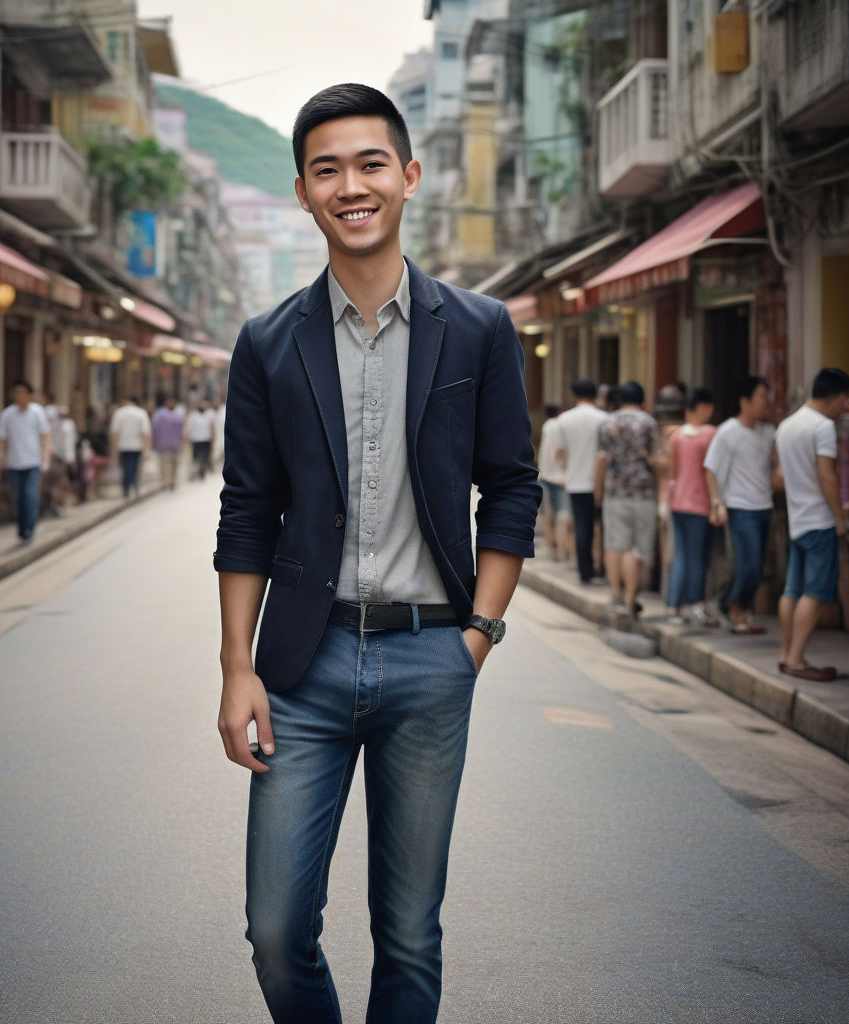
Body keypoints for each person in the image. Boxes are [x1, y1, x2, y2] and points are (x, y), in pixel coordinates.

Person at [214, 83, 540, 1024]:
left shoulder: (476, 327)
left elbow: (511, 484)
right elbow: (247, 512)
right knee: (276, 930)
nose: (350, 185)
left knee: (407, 932)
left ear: (408, 175)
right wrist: (238, 665)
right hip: (301, 672)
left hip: (431, 657)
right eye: (327, 170)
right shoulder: (269, 343)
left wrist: (477, 633)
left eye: (368, 164)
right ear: (304, 193)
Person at [775, 368, 849, 681]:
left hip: (797, 518)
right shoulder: (821, 427)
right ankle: (796, 659)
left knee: (792, 590)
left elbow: (781, 475)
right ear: (836, 397)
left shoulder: (787, 425)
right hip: (819, 519)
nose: (843, 409)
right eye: (844, 402)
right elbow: (827, 475)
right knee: (815, 592)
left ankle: (787, 653)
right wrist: (840, 519)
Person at [704, 375, 778, 634]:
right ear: (744, 401)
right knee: (749, 565)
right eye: (761, 397)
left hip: (765, 507)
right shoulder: (728, 431)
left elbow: (776, 467)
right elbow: (711, 469)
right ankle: (735, 610)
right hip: (739, 507)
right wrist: (717, 503)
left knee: (757, 568)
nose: (765, 402)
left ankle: (732, 606)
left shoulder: (769, 432)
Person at [594, 380, 659, 622]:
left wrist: (597, 492)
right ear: (642, 399)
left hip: (615, 492)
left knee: (614, 544)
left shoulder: (607, 423)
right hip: (643, 492)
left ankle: (615, 594)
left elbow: (601, 460)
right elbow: (654, 459)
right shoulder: (648, 423)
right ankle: (631, 598)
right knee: (637, 548)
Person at [665, 387, 719, 625]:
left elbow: (672, 470)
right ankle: (694, 604)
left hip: (677, 501)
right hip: (700, 503)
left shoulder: (676, 437)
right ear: (704, 407)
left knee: (681, 555)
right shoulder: (710, 434)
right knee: (697, 557)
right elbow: (711, 472)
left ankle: (674, 606)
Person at [553, 378, 608, 583]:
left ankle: (585, 571)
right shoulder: (603, 417)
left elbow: (559, 452)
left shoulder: (564, 419)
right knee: (601, 527)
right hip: (600, 481)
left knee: (582, 527)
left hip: (575, 481)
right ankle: (601, 567)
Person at [0, 380, 50, 543]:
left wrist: (45, 458)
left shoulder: (37, 412)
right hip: (13, 463)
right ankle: (21, 528)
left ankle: (30, 529)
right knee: (18, 497)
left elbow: (45, 437)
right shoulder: (7, 415)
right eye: (16, 392)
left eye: (22, 392)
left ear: (29, 395)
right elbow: (0, 440)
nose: (19, 396)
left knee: (30, 496)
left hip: (33, 462)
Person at [538, 404, 572, 561]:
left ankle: (550, 545)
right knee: (563, 514)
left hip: (545, 474)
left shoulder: (546, 426)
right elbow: (557, 450)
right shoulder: (559, 424)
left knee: (548, 513)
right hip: (559, 477)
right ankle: (561, 550)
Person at [109, 396, 151, 499]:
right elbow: (145, 432)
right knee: (134, 466)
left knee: (126, 466)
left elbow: (114, 432)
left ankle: (126, 487)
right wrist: (147, 449)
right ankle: (133, 485)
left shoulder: (119, 413)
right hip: (137, 445)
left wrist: (114, 446)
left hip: (123, 445)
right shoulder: (141, 413)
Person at [151, 396, 185, 491]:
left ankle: (169, 481)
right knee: (166, 464)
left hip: (171, 445)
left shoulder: (161, 415)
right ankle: (167, 481)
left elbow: (182, 431)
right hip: (166, 445)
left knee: (169, 464)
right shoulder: (165, 415)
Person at [186, 401, 215, 480]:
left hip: (206, 440)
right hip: (196, 440)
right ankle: (196, 472)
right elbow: (189, 428)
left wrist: (213, 438)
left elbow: (212, 427)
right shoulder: (193, 415)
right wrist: (188, 439)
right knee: (196, 457)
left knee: (205, 457)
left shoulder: (209, 415)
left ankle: (202, 472)